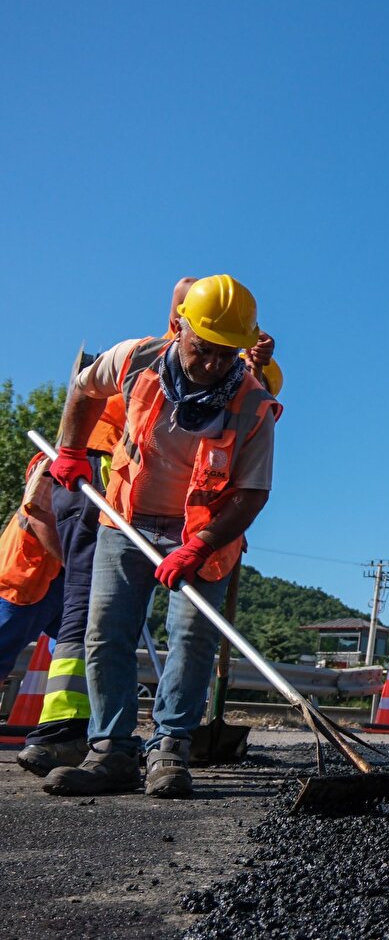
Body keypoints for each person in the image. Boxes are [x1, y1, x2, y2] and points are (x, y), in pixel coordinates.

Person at [16, 278, 280, 777]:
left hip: (202, 535)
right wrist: (70, 449)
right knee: (106, 630)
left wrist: (198, 546)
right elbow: (84, 387)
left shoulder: (253, 404)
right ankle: (112, 750)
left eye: (226, 356)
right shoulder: (137, 359)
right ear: (179, 328)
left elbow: (252, 494)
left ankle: (170, 749)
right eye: (203, 351)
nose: (212, 366)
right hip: (125, 520)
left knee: (191, 637)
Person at [0, 458, 64, 683]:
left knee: (73, 654)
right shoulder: (55, 460)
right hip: (25, 577)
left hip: (59, 580)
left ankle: (68, 716)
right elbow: (39, 518)